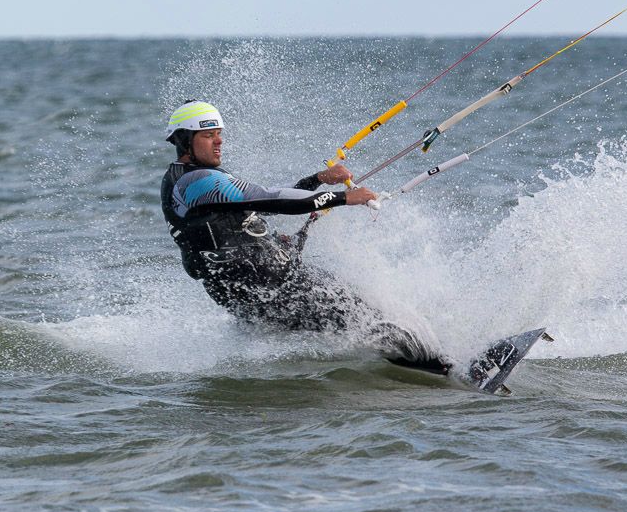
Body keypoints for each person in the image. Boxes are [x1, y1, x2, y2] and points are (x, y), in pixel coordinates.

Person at [159, 100, 450, 373]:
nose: (219, 141)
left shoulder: (190, 181)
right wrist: (342, 197)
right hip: (272, 286)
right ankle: (456, 369)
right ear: (186, 141)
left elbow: (263, 203)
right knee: (369, 321)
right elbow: (271, 199)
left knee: (363, 324)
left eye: (219, 133)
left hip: (256, 290)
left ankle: (433, 368)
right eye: (209, 135)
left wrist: (317, 180)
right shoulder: (195, 182)